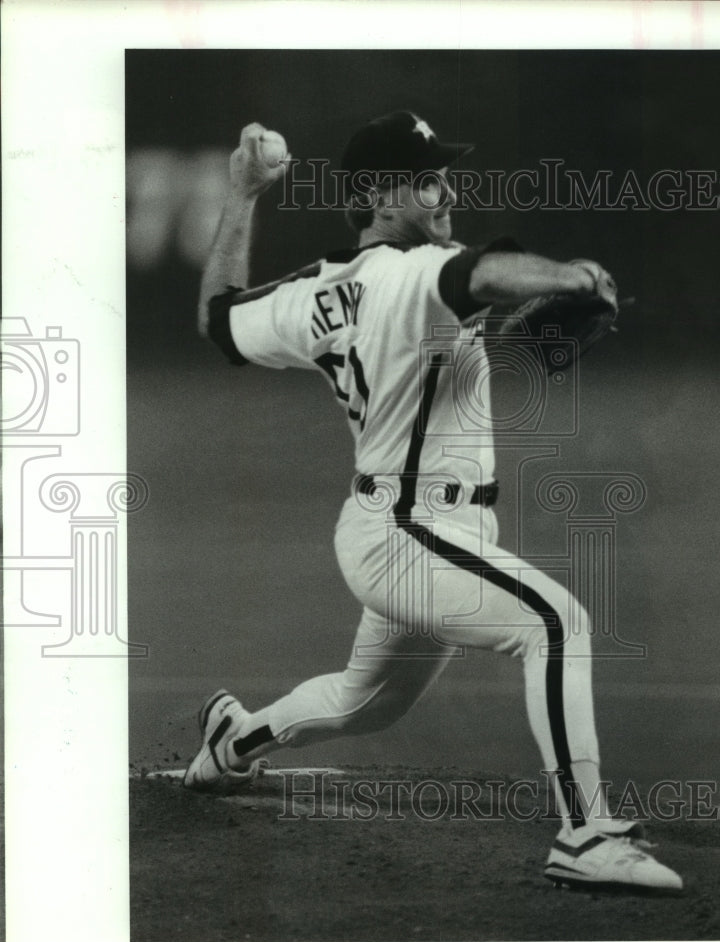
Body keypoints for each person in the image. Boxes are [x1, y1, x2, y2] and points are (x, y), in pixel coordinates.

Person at [185, 110, 682, 892]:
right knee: (553, 621)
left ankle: (232, 742)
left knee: (364, 704)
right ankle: (583, 833)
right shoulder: (413, 271)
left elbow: (219, 319)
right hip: (412, 529)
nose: (445, 190)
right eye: (426, 178)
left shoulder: (323, 286)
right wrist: (569, 277)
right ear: (382, 194)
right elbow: (478, 275)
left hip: (402, 528)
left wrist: (242, 194)